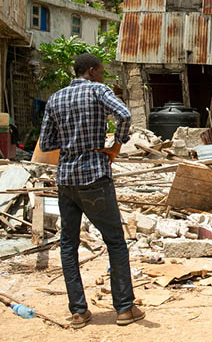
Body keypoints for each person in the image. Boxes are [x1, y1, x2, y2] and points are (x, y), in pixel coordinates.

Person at [39, 53, 145, 328]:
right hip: (95, 175)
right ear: (91, 71)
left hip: (66, 180)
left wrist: (71, 142)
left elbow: (47, 142)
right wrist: (117, 143)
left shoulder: (56, 98)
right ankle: (124, 308)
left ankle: (78, 312)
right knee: (115, 242)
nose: (102, 74)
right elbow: (124, 114)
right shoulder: (98, 91)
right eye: (100, 70)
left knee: (68, 245)